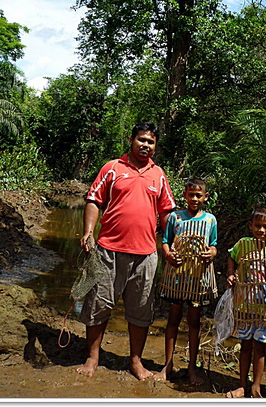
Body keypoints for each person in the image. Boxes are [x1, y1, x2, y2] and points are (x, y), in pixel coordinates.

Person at [76, 121, 176, 380]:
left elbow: (166, 212)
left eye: (151, 142)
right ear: (131, 141)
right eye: (141, 140)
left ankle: (135, 361)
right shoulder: (112, 168)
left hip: (146, 254)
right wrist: (88, 232)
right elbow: (93, 200)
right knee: (99, 303)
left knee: (141, 309)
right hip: (108, 249)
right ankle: (93, 357)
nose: (146, 145)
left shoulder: (159, 175)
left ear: (156, 146)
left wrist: (172, 244)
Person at [154, 177, 217, 386]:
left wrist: (211, 253)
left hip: (198, 281)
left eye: (199, 195)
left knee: (194, 322)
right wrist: (168, 255)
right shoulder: (175, 218)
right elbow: (165, 241)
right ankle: (168, 365)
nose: (195, 199)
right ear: (184, 195)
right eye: (191, 195)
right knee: (172, 319)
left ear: (205, 197)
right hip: (177, 279)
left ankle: (191, 367)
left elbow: (214, 245)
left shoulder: (210, 220)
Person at [226, 207, 266, 399]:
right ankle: (242, 385)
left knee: (260, 347)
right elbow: (231, 257)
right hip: (245, 306)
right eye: (258, 226)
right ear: (250, 226)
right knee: (245, 346)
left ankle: (256, 386)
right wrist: (230, 273)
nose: (262, 230)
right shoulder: (243, 245)